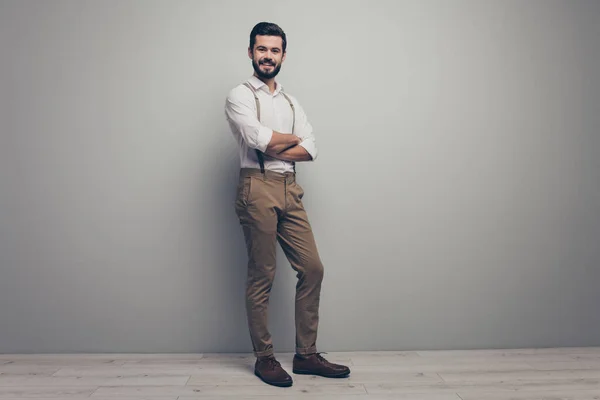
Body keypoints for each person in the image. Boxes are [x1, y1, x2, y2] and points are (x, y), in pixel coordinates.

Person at [224, 22, 351, 387]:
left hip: (289, 188)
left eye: (274, 50)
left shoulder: (292, 101)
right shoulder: (240, 95)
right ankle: (264, 358)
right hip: (257, 187)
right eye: (261, 49)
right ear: (250, 52)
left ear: (283, 55)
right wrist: (284, 140)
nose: (268, 56)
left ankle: (306, 354)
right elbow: (255, 138)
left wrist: (277, 141)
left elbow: (311, 149)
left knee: (312, 268)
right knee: (262, 274)